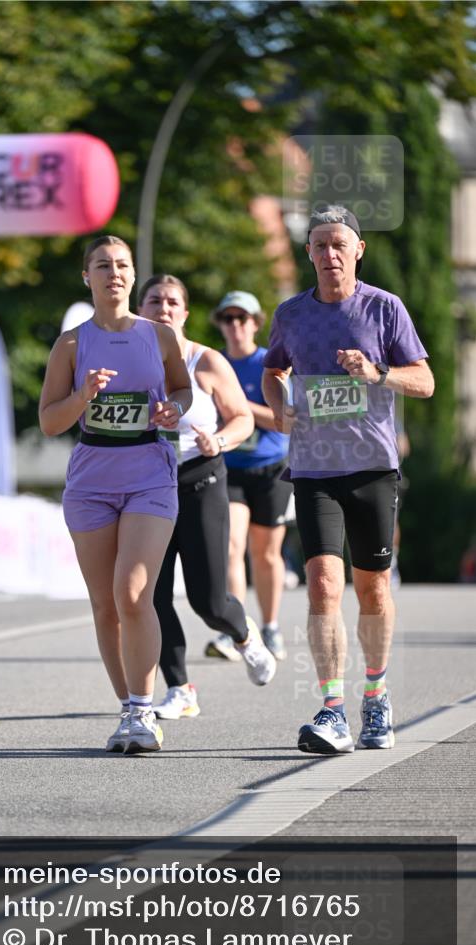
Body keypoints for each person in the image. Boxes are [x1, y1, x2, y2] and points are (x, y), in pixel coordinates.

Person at [262, 205, 434, 754]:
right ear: (307, 253)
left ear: (358, 249)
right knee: (321, 587)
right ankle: (333, 709)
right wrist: (280, 406)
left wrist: (377, 372)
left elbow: (426, 381)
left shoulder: (384, 309)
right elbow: (273, 370)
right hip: (314, 469)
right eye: (319, 245)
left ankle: (376, 697)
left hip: (371, 468)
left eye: (339, 244)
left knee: (374, 590)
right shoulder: (291, 313)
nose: (329, 254)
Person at [39, 237, 192, 754]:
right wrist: (83, 396)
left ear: (133, 273)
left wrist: (173, 409)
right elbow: (49, 422)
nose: (114, 273)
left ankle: (143, 711)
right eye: (102, 266)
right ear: (88, 277)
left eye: (122, 265)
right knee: (105, 605)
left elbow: (181, 388)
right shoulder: (71, 345)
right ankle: (129, 708)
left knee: (133, 593)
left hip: (150, 474)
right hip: (91, 483)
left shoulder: (160, 335)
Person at [137, 275, 276, 721]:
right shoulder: (127, 362)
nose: (163, 307)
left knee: (208, 599)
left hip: (199, 480)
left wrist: (219, 439)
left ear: (185, 312)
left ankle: (245, 635)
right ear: (140, 309)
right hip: (145, 488)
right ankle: (180, 688)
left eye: (172, 301)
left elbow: (242, 420)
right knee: (151, 597)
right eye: (154, 299)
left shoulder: (207, 361)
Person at [204, 291, 294, 664]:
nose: (236, 325)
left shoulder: (269, 363)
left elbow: (286, 422)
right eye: (228, 319)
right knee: (231, 547)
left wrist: (241, 409)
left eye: (243, 318)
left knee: (267, 553)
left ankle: (270, 625)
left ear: (256, 324)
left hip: (273, 467)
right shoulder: (213, 364)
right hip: (230, 469)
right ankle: (235, 630)